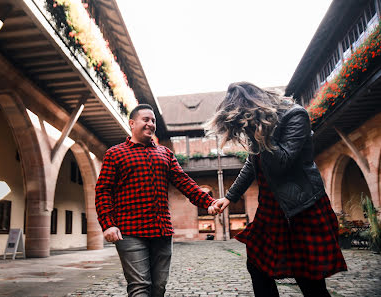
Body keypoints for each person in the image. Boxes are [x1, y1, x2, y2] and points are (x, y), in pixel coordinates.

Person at [209, 82, 347, 297]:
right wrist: (229, 197)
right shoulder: (256, 127)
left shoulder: (295, 115)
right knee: (256, 266)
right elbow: (252, 163)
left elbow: (282, 162)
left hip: (302, 208)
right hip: (271, 210)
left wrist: (260, 131)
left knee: (308, 279)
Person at [95, 104, 218, 297]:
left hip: (161, 231)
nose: (151, 124)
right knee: (140, 286)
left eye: (153, 121)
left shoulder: (165, 154)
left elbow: (183, 181)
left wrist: (208, 201)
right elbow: (103, 191)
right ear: (132, 123)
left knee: (159, 287)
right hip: (129, 231)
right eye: (146, 119)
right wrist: (108, 224)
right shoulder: (115, 154)